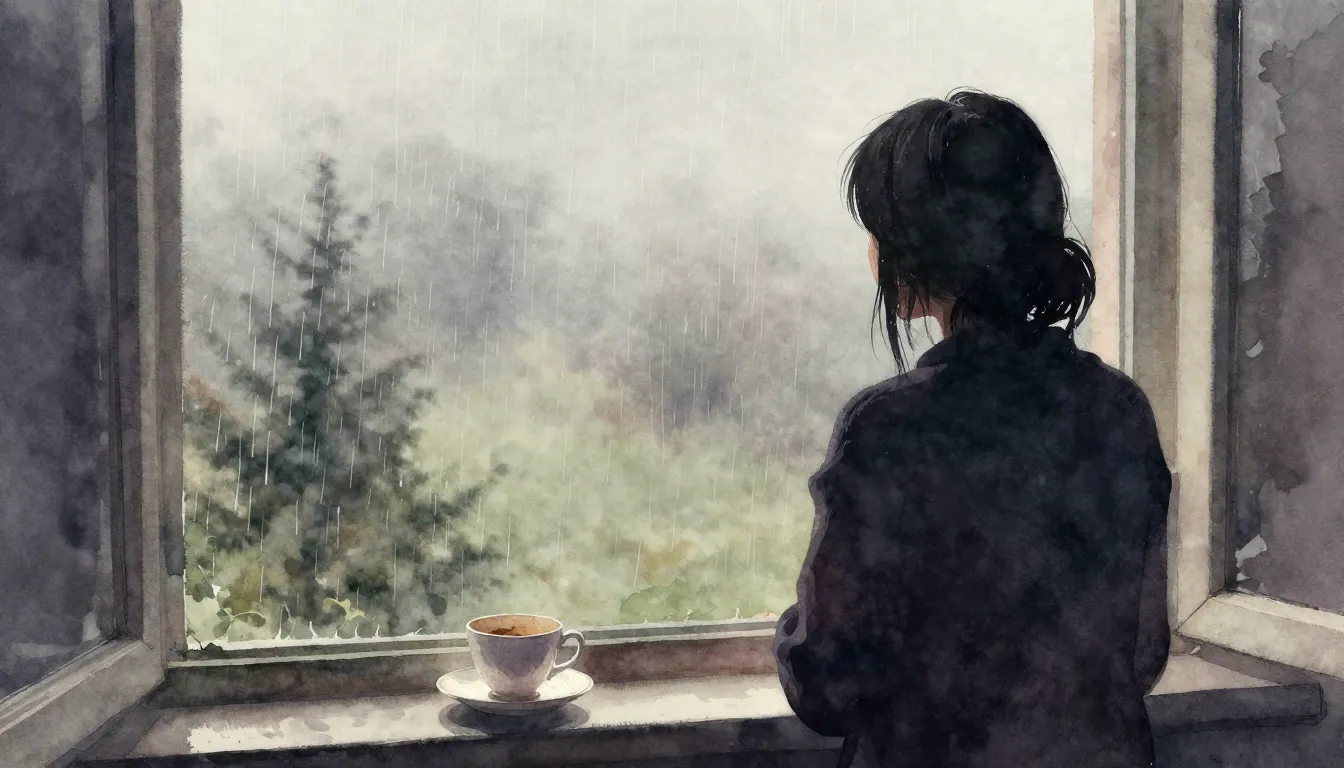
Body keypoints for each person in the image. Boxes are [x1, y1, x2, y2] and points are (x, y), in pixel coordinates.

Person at [773, 91, 1172, 768]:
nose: (872, 250)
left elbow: (830, 688)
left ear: (917, 252)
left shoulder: (888, 429)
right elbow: (1141, 654)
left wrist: (795, 626)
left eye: (880, 230)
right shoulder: (1118, 407)